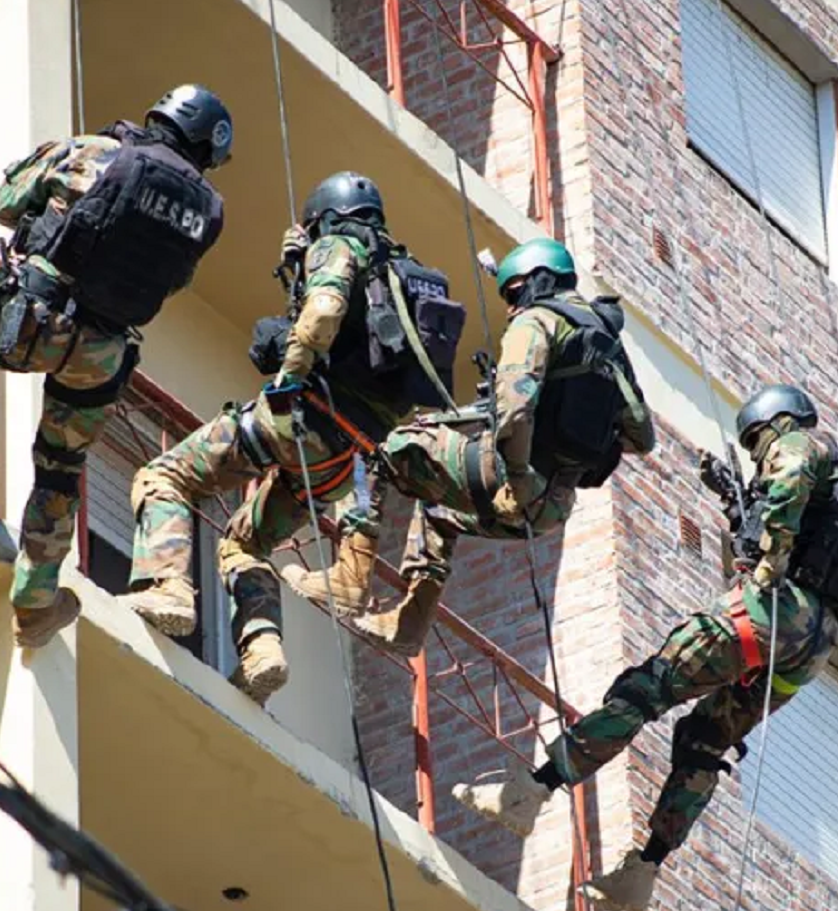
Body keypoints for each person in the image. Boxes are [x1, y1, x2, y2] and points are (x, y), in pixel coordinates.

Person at [452, 383, 838, 911]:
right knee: (702, 740)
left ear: (776, 422)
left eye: (755, 443)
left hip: (777, 614)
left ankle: (532, 791)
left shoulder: (798, 446)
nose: (757, 455)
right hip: (813, 648)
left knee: (648, 687)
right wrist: (742, 517)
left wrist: (765, 565)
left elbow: (786, 488)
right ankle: (644, 871)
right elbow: (811, 533)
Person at [125, 172, 463, 703]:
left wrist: (290, 375)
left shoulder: (339, 247)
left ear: (327, 216)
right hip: (349, 457)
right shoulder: (414, 279)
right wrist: (295, 271)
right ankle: (262, 651)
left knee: (164, 477)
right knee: (243, 542)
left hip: (299, 419)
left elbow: (326, 309)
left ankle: (167, 585)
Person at [0, 85, 231, 648]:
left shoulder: (96, 152)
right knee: (61, 469)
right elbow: (175, 281)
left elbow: (5, 203)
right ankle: (36, 602)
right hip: (101, 355)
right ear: (207, 147)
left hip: (31, 320)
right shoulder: (208, 211)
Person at [280, 237, 655, 654]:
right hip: (551, 508)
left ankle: (351, 577)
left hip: (512, 483)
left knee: (379, 449)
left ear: (540, 281)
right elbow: (642, 438)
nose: (512, 307)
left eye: (514, 293)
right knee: (439, 506)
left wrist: (517, 478)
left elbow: (514, 411)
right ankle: (409, 626)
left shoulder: (537, 322)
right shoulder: (609, 348)